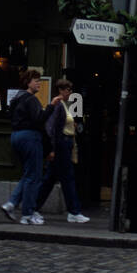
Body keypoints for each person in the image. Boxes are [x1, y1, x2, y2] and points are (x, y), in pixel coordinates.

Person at [2, 69, 59, 225]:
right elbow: (39, 120)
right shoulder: (31, 100)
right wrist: (51, 106)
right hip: (30, 137)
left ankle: (11, 203)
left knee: (28, 174)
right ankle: (27, 214)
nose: (39, 83)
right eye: (36, 80)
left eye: (39, 80)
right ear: (28, 82)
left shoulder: (17, 98)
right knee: (34, 177)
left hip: (16, 136)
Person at [34, 79, 89, 223]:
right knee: (68, 178)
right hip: (61, 145)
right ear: (60, 90)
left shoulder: (66, 105)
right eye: (68, 89)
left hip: (66, 143)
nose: (70, 92)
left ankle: (32, 207)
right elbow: (51, 128)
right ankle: (74, 211)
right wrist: (51, 149)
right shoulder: (58, 104)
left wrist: (73, 126)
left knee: (50, 179)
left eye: (70, 89)